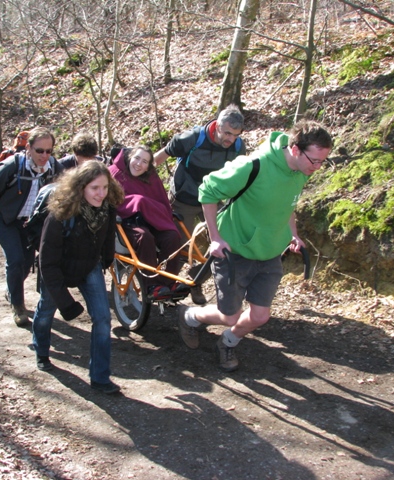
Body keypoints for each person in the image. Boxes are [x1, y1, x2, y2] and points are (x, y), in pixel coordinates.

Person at [176, 120, 333, 372]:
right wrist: (215, 237)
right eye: (314, 161)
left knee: (260, 316)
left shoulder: (300, 171)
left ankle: (227, 342)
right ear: (295, 150)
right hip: (234, 251)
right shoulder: (254, 165)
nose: (317, 167)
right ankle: (190, 316)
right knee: (230, 315)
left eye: (322, 162)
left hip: (269, 252)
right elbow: (208, 190)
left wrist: (292, 234)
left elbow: (288, 206)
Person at [32, 161, 125, 394]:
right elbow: (47, 262)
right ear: (81, 187)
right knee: (45, 312)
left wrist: (106, 259)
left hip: (89, 267)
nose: (101, 193)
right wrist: (66, 303)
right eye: (95, 188)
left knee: (103, 319)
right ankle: (42, 351)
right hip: (58, 270)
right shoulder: (60, 214)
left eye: (105, 187)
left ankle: (100, 377)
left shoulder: (107, 207)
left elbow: (107, 235)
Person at [154, 104, 246, 304]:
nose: (231, 139)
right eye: (227, 133)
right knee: (177, 248)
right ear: (217, 126)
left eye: (236, 135)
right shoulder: (192, 139)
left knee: (225, 244)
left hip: (214, 199)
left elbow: (242, 175)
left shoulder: (238, 147)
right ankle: (162, 286)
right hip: (183, 199)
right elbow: (157, 159)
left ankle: (194, 280)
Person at [0, 127, 63, 327]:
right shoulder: (13, 166)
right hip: (7, 221)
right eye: (40, 150)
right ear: (29, 148)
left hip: (30, 224)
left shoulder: (53, 168)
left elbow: (69, 188)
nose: (44, 155)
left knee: (26, 263)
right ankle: (18, 306)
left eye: (49, 151)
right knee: (15, 260)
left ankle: (13, 289)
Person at [108, 145, 187, 300]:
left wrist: (162, 213)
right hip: (126, 222)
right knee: (145, 237)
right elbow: (111, 202)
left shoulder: (151, 177)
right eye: (137, 158)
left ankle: (170, 282)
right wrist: (138, 202)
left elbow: (161, 201)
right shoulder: (113, 173)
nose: (139, 164)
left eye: (144, 161)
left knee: (172, 236)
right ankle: (152, 285)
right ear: (129, 156)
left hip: (151, 219)